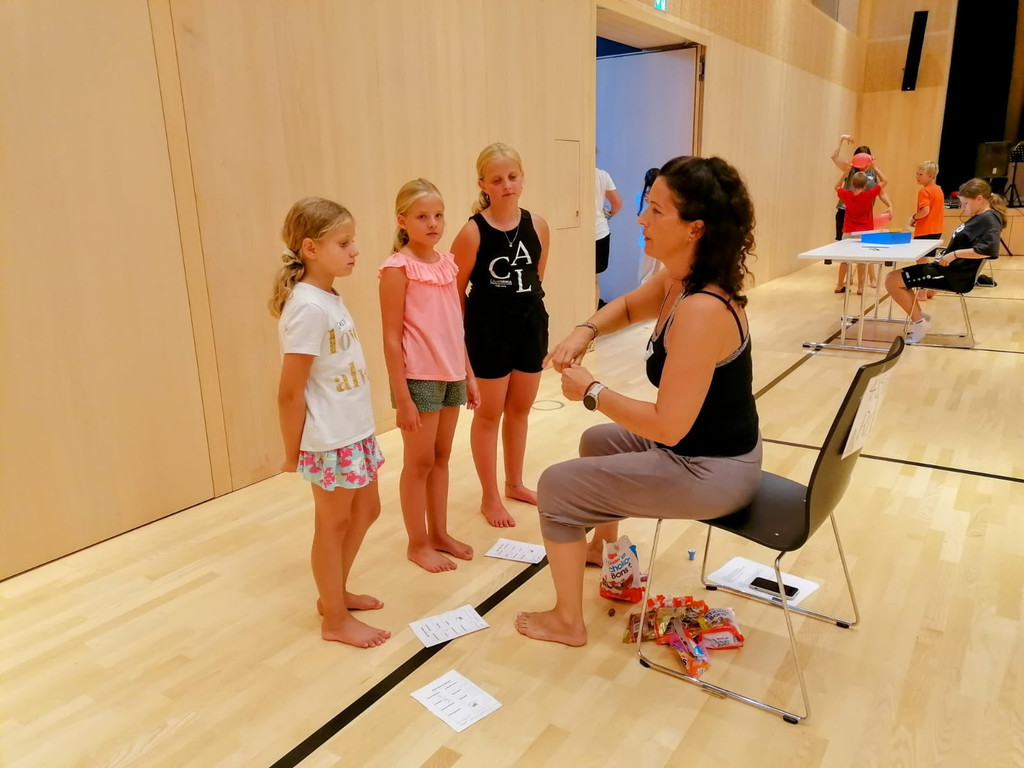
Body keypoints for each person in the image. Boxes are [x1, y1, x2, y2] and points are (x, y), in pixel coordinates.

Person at [514, 156, 762, 647]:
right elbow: (628, 306)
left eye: (656, 210)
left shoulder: (702, 311)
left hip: (712, 471)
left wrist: (592, 391)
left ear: (694, 228)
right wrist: (585, 330)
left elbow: (667, 427)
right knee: (597, 442)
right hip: (700, 449)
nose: (641, 218)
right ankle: (600, 549)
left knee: (557, 487)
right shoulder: (679, 281)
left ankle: (567, 622)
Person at [270, 197, 390, 648]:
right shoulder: (308, 307)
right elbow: (289, 391)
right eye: (344, 242)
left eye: (352, 240)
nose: (355, 250)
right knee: (332, 524)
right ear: (310, 248)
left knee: (368, 510)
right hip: (331, 439)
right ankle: (335, 618)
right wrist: (292, 452)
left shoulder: (328, 297)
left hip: (354, 430)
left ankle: (334, 593)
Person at [379, 179, 481, 573]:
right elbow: (391, 339)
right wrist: (403, 398)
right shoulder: (396, 268)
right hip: (419, 378)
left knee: (441, 458)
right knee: (419, 462)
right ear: (402, 220)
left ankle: (439, 533)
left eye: (438, 215)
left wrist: (468, 374)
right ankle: (417, 543)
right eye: (422, 216)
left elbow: (456, 325)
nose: (433, 223)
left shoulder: (447, 264)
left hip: (451, 373)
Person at [451, 143, 550, 528]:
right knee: (489, 415)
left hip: (529, 327)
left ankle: (514, 483)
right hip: (488, 332)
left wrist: (529, 320)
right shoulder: (471, 232)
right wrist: (464, 346)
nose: (506, 185)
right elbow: (454, 294)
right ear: (483, 184)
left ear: (522, 179)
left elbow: (537, 279)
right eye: (497, 179)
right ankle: (489, 496)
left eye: (512, 176)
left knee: (520, 410)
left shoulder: (538, 225)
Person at [885, 177, 1007, 344]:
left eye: (965, 203)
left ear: (979, 199)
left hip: (954, 275)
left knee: (892, 280)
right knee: (894, 278)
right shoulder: (980, 216)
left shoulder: (989, 219)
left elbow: (988, 250)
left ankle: (919, 322)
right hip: (945, 269)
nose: (963, 208)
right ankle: (919, 317)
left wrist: (954, 254)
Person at [830, 135, 894, 292]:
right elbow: (834, 157)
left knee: (859, 255)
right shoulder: (851, 169)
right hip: (851, 218)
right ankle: (856, 285)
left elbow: (881, 191)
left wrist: (890, 205)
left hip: (857, 222)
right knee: (857, 257)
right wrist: (842, 140)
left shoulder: (855, 189)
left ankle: (869, 280)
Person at [835, 161, 890, 294]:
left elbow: (837, 187)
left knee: (844, 260)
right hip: (864, 232)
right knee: (861, 261)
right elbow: (885, 181)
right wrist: (875, 168)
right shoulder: (868, 195)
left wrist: (845, 173)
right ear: (866, 185)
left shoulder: (846, 195)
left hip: (848, 231)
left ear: (852, 184)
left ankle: (839, 285)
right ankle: (860, 288)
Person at [595, 166, 622, 308]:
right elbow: (617, 204)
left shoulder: (574, 173)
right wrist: (608, 214)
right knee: (594, 280)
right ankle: (592, 315)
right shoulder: (602, 175)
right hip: (600, 232)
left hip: (578, 234)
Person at [636, 167, 662, 285]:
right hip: (648, 238)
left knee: (655, 270)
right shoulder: (642, 197)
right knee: (647, 272)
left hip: (655, 238)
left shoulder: (658, 198)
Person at [908, 161, 944, 240]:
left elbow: (925, 211)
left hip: (924, 231)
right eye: (917, 174)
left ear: (930, 176)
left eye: (920, 174)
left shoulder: (924, 191)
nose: (917, 176)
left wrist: (914, 218)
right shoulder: (939, 190)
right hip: (937, 230)